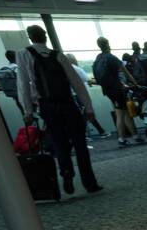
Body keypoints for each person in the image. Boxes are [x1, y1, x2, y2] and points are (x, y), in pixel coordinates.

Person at [16, 25, 102, 195]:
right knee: (80, 144)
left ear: (30, 37)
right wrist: (89, 107)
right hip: (68, 104)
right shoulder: (58, 55)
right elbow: (77, 83)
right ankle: (90, 183)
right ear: (45, 37)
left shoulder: (23, 54)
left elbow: (23, 85)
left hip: (47, 106)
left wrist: (27, 111)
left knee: (59, 142)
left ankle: (67, 173)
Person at [93, 37, 138, 148]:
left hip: (107, 89)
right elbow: (126, 73)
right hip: (116, 89)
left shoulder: (98, 58)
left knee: (125, 111)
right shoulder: (111, 57)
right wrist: (135, 83)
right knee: (120, 114)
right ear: (108, 44)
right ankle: (121, 139)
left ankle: (135, 136)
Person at [64, 53, 107, 138]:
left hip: (73, 95)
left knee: (84, 114)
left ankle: (98, 131)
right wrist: (102, 82)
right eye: (74, 59)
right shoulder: (75, 68)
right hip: (79, 95)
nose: (76, 60)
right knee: (86, 113)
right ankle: (87, 133)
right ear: (72, 60)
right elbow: (87, 79)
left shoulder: (64, 69)